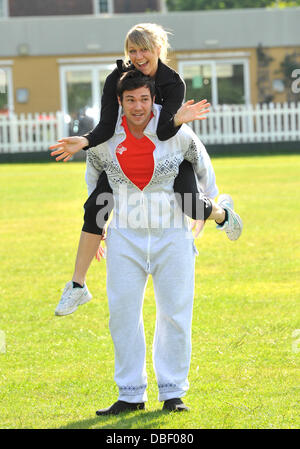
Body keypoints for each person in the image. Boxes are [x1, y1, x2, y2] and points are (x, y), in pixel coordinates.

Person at [50, 23, 242, 317]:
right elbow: (105, 126)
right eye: (132, 50)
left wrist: (179, 119)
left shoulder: (173, 83)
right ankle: (77, 285)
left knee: (192, 205)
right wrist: (86, 141)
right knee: (97, 206)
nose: (138, 56)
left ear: (159, 50)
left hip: (169, 154)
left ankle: (223, 213)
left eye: (144, 50)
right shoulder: (119, 78)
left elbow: (166, 132)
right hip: (124, 155)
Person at [81, 70, 241, 414]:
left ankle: (172, 391)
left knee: (175, 313)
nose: (138, 107)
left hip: (173, 235)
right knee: (122, 315)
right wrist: (99, 232)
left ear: (153, 99)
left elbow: (202, 166)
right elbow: (94, 182)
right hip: (125, 236)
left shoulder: (177, 132)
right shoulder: (106, 139)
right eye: (130, 100)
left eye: (144, 98)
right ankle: (129, 394)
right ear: (119, 103)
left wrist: (209, 207)